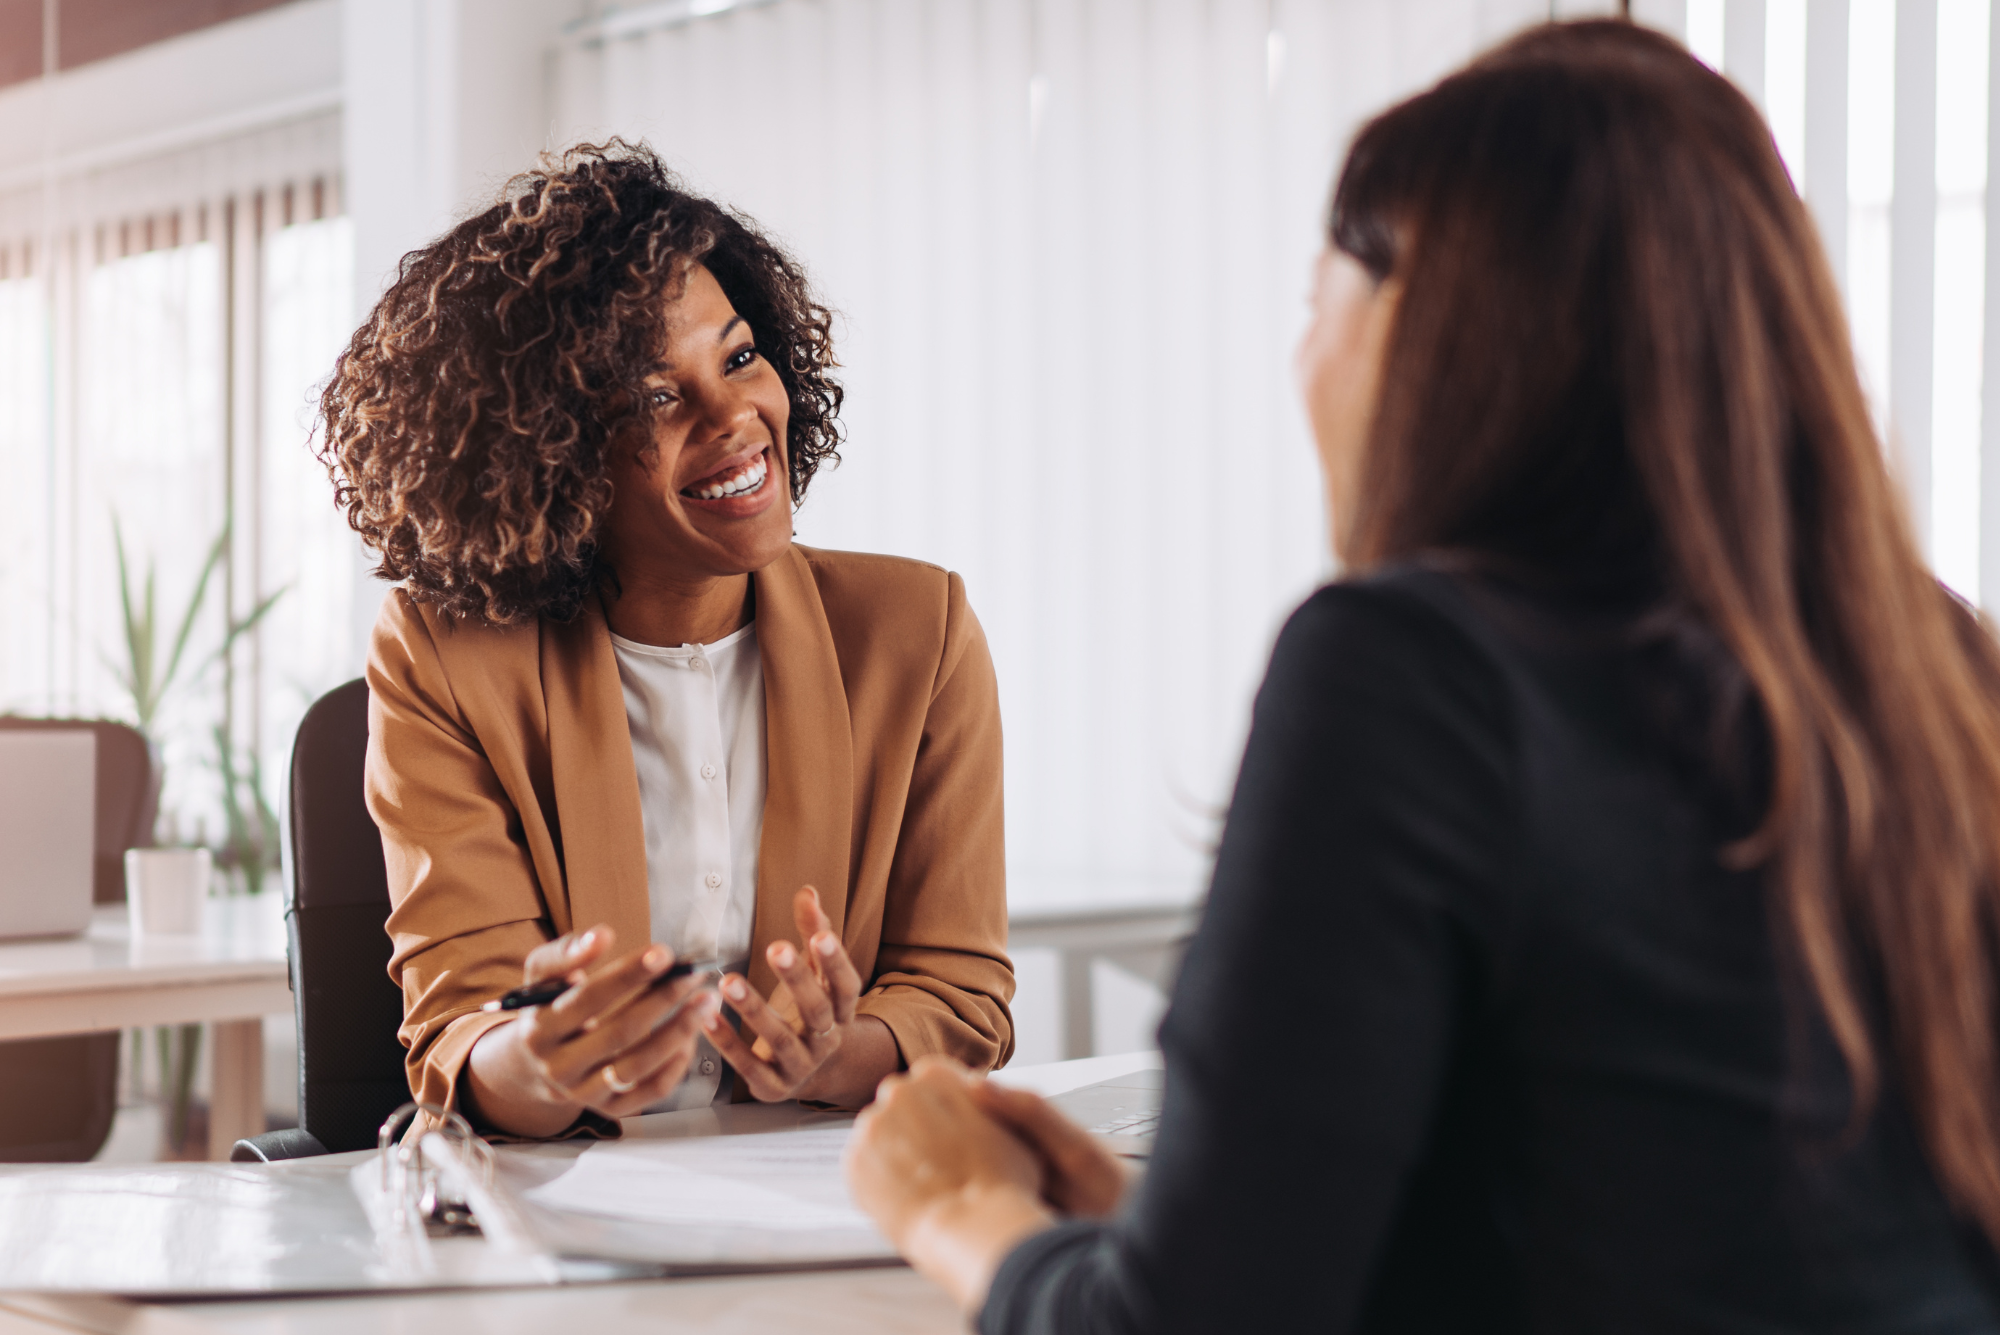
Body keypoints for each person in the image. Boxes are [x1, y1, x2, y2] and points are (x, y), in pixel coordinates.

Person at [846, 20, 2000, 1332]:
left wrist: (956, 1210)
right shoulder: (1936, 667)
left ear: (1423, 325)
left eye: (1310, 298)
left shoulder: (1410, 671)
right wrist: (1170, 1224)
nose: (1300, 360)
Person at [317, 142, 1013, 1139]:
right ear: (547, 454)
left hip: (821, 1205)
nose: (735, 418)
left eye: (737, 358)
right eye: (654, 396)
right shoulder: (443, 657)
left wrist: (830, 1053)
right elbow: (459, 1034)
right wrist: (549, 1059)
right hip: (561, 1218)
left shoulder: (916, 631)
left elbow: (959, 994)